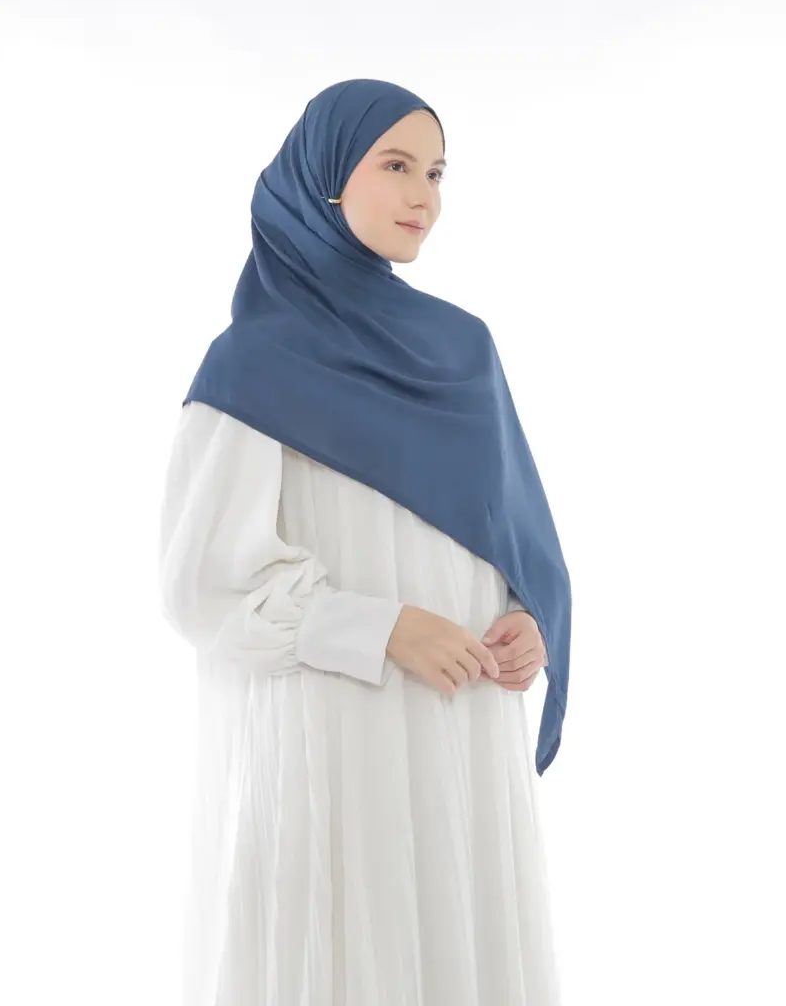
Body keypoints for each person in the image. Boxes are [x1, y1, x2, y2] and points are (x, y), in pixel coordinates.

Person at [158, 78, 572, 1005]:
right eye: (396, 166)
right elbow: (204, 585)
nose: (425, 196)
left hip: (466, 734)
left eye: (436, 172)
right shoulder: (252, 366)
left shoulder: (464, 350)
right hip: (339, 737)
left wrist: (527, 620)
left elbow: (511, 530)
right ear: (326, 178)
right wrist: (383, 628)